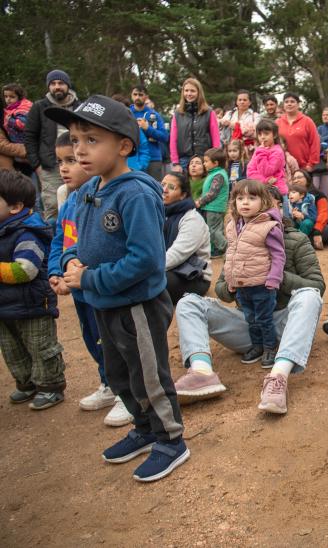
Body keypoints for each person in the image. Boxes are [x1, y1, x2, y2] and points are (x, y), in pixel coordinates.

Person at [48, 95, 188, 482]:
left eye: (92, 140)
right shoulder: (89, 189)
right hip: (104, 302)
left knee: (148, 374)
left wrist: (89, 277)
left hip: (137, 305)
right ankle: (144, 430)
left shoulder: (137, 192)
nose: (79, 149)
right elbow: (74, 235)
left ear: (123, 146)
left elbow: (146, 259)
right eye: (76, 140)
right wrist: (70, 260)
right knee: (119, 372)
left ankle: (171, 440)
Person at [173, 189, 325, 414]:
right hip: (249, 327)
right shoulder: (236, 239)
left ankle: (278, 376)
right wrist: (239, 282)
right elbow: (221, 289)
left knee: (310, 295)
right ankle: (202, 373)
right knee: (188, 303)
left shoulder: (295, 239)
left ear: (275, 205)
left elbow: (317, 286)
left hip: (285, 327)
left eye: (258, 200)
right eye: (243, 200)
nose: (250, 205)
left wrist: (274, 275)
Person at [48, 133, 114, 418]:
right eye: (60, 161)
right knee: (91, 337)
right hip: (77, 287)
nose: (64, 168)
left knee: (112, 338)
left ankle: (129, 391)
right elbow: (59, 241)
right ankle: (108, 383)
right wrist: (56, 272)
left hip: (99, 285)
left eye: (71, 161)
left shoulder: (100, 198)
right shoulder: (68, 203)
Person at [0, 169, 66, 409]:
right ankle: (26, 382)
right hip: (5, 306)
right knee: (11, 348)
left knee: (40, 346)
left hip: (34, 303)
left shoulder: (28, 232)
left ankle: (50, 386)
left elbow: (24, 270)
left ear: (15, 206)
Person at [222, 179, 286, 368]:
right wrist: (230, 279)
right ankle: (257, 346)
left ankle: (269, 347)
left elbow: (278, 255)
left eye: (251, 198)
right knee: (250, 318)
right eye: (240, 198)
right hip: (242, 285)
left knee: (264, 318)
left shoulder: (269, 226)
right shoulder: (232, 225)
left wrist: (273, 279)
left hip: (262, 284)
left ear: (263, 201)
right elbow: (232, 253)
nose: (245, 202)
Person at [23, 69, 81, 221]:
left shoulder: (80, 106)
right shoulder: (39, 107)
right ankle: (53, 240)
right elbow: (29, 136)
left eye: (61, 83)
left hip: (78, 163)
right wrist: (36, 165)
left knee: (78, 202)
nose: (57, 87)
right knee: (53, 206)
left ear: (67, 85)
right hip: (49, 166)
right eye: (53, 83)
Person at [160, 172, 211, 304]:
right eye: (163, 184)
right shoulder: (160, 213)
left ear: (183, 195)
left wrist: (147, 269)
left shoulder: (192, 219)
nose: (164, 190)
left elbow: (178, 254)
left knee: (152, 282)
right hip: (166, 267)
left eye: (171, 187)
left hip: (193, 276)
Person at [170, 78, 221, 173]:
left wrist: (214, 159)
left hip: (205, 160)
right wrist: (175, 163)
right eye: (186, 90)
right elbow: (173, 139)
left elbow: (216, 139)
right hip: (184, 161)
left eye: (192, 91)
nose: (189, 94)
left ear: (199, 93)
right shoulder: (177, 114)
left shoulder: (209, 112)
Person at [130, 85, 168, 182]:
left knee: (154, 190)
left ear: (146, 97)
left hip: (153, 158)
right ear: (131, 95)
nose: (137, 97)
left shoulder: (154, 115)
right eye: (135, 94)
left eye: (140, 95)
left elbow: (165, 137)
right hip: (132, 158)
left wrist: (148, 128)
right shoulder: (127, 113)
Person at [197, 147, 229, 258]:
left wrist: (200, 202)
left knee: (213, 229)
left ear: (215, 163)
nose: (204, 164)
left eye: (206, 161)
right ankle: (215, 250)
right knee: (212, 229)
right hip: (211, 207)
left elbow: (212, 193)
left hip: (215, 207)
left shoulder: (219, 175)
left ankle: (226, 248)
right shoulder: (213, 173)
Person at [276, 92, 320, 171]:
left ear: (298, 104)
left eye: (292, 101)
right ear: (283, 105)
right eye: (286, 102)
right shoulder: (277, 123)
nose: (289, 104)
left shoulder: (307, 121)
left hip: (304, 168)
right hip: (283, 168)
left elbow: (315, 143)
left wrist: (311, 164)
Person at [247, 118, 287, 196]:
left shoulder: (277, 151)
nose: (262, 137)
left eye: (266, 134)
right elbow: (250, 171)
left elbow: (267, 171)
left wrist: (261, 153)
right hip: (260, 189)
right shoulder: (259, 150)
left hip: (275, 192)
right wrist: (265, 180)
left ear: (274, 135)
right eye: (260, 134)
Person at [2, 83, 32, 173]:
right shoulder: (11, 109)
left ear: (19, 97)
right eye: (6, 96)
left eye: (12, 97)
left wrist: (9, 120)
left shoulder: (23, 108)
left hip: (24, 143)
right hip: (18, 148)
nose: (8, 99)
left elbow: (23, 124)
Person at [219, 90, 260, 154]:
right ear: (236, 102)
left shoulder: (255, 116)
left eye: (244, 100)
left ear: (250, 102)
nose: (242, 102)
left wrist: (234, 125)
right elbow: (219, 126)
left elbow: (255, 132)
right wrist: (221, 122)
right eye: (240, 100)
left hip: (248, 151)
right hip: (230, 150)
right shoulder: (229, 114)